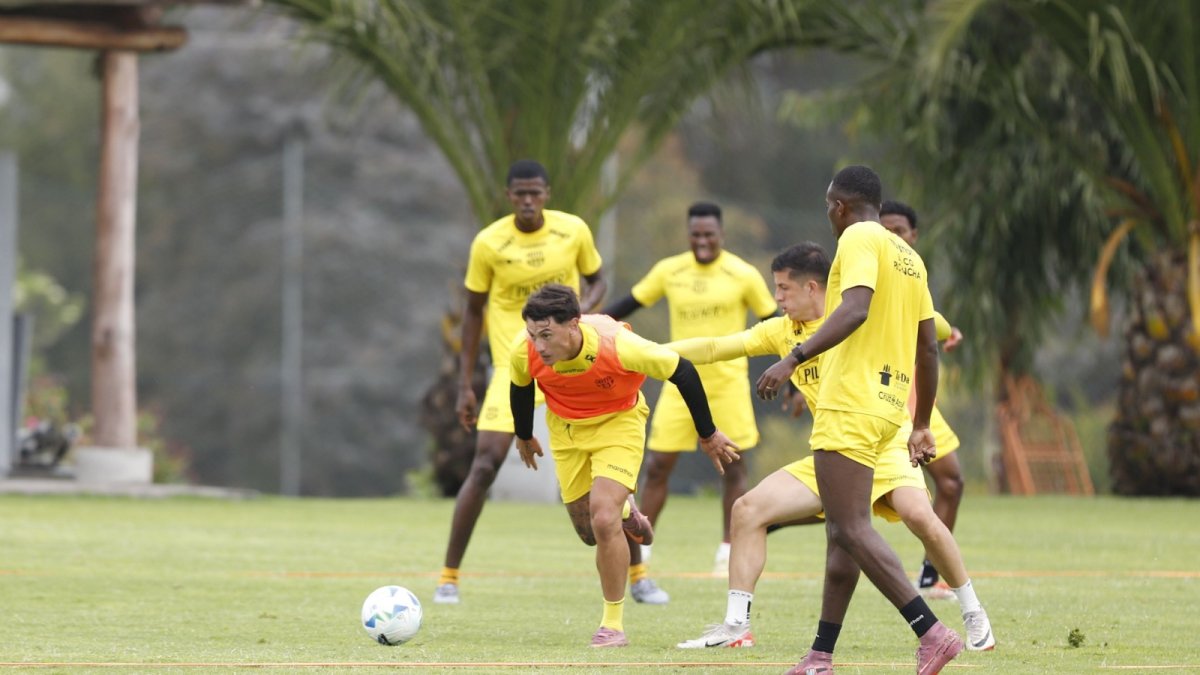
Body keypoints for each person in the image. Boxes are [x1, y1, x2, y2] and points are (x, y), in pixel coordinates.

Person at [668, 242, 995, 653]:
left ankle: (972, 611)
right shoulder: (781, 331)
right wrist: (650, 353)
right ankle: (736, 627)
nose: (777, 299)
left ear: (811, 287)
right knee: (747, 510)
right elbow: (718, 347)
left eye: (784, 289)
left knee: (919, 516)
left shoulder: (855, 313)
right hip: (834, 450)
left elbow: (921, 318)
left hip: (885, 441)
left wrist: (948, 330)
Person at [753, 165, 964, 674]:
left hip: (850, 400)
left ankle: (931, 632)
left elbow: (855, 310)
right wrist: (919, 422)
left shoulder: (858, 239)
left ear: (841, 205)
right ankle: (820, 656)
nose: (828, 215)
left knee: (849, 527)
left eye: (829, 206)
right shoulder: (910, 257)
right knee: (842, 532)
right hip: (891, 407)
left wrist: (793, 357)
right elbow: (929, 347)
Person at [509, 284, 741, 647]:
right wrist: (524, 434)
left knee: (603, 519)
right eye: (533, 335)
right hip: (567, 431)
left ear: (574, 325)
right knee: (589, 534)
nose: (538, 345)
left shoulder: (617, 345)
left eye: (547, 335)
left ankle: (612, 626)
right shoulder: (524, 350)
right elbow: (520, 385)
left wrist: (708, 433)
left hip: (619, 423)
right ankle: (626, 509)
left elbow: (682, 370)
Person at [435, 159, 613, 604]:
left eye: (536, 192)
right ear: (509, 196)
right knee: (484, 464)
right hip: (512, 370)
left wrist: (582, 316)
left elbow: (598, 279)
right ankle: (448, 577)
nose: (529, 201)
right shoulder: (490, 242)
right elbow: (473, 311)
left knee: (607, 472)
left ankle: (641, 575)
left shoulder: (572, 230)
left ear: (548, 193)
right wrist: (464, 384)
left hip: (570, 369)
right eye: (521, 194)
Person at [603, 201, 777, 576]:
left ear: (721, 235)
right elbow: (629, 304)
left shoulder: (742, 274)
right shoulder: (670, 271)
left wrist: (793, 372)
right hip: (678, 381)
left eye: (709, 235)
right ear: (688, 235)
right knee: (658, 465)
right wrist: (593, 326)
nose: (702, 241)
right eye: (695, 235)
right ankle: (641, 552)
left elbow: (774, 322)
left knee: (733, 469)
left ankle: (728, 550)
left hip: (728, 385)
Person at [880, 200, 966, 600]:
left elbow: (924, 320)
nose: (892, 237)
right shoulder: (873, 268)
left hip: (920, 399)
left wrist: (945, 330)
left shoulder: (914, 272)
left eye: (899, 230)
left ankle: (931, 575)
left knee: (950, 481)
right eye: (885, 229)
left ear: (914, 236)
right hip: (889, 399)